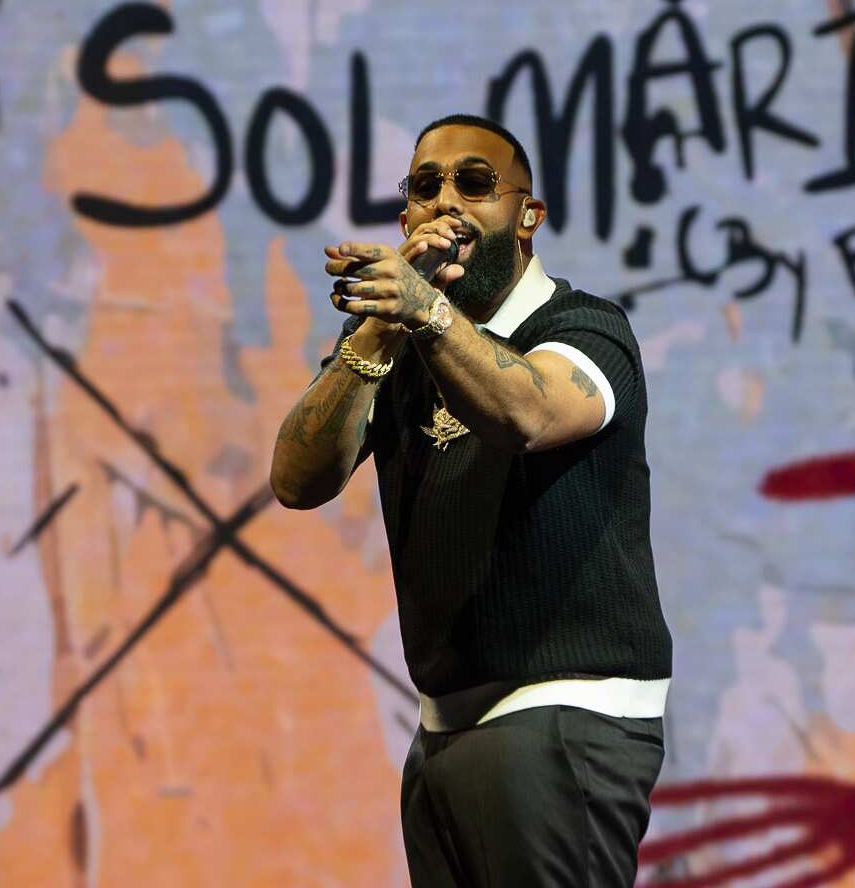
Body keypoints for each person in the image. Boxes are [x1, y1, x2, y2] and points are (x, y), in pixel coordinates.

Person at [270, 114, 673, 887]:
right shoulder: (402, 349)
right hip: (444, 731)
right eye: (426, 187)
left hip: (561, 715)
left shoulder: (583, 328)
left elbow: (528, 413)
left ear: (528, 215)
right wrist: (378, 334)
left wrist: (425, 311)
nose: (445, 202)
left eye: (475, 183)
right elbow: (297, 479)